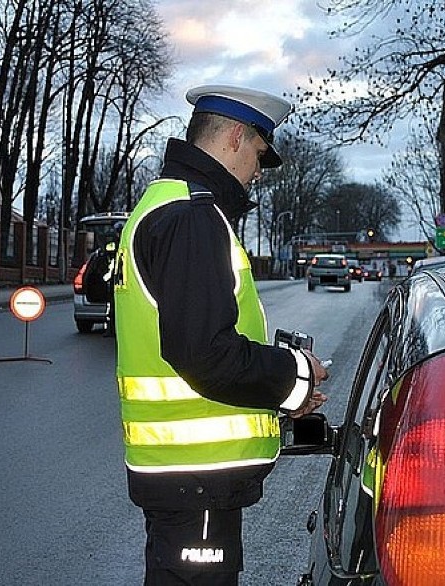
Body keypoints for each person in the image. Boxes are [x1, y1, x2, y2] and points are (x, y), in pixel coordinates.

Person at [112, 85, 330, 585]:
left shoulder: (168, 205)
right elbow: (205, 354)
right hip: (197, 483)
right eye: (258, 153)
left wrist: (280, 390)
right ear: (235, 137)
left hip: (185, 481)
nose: (257, 172)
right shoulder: (193, 217)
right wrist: (294, 377)